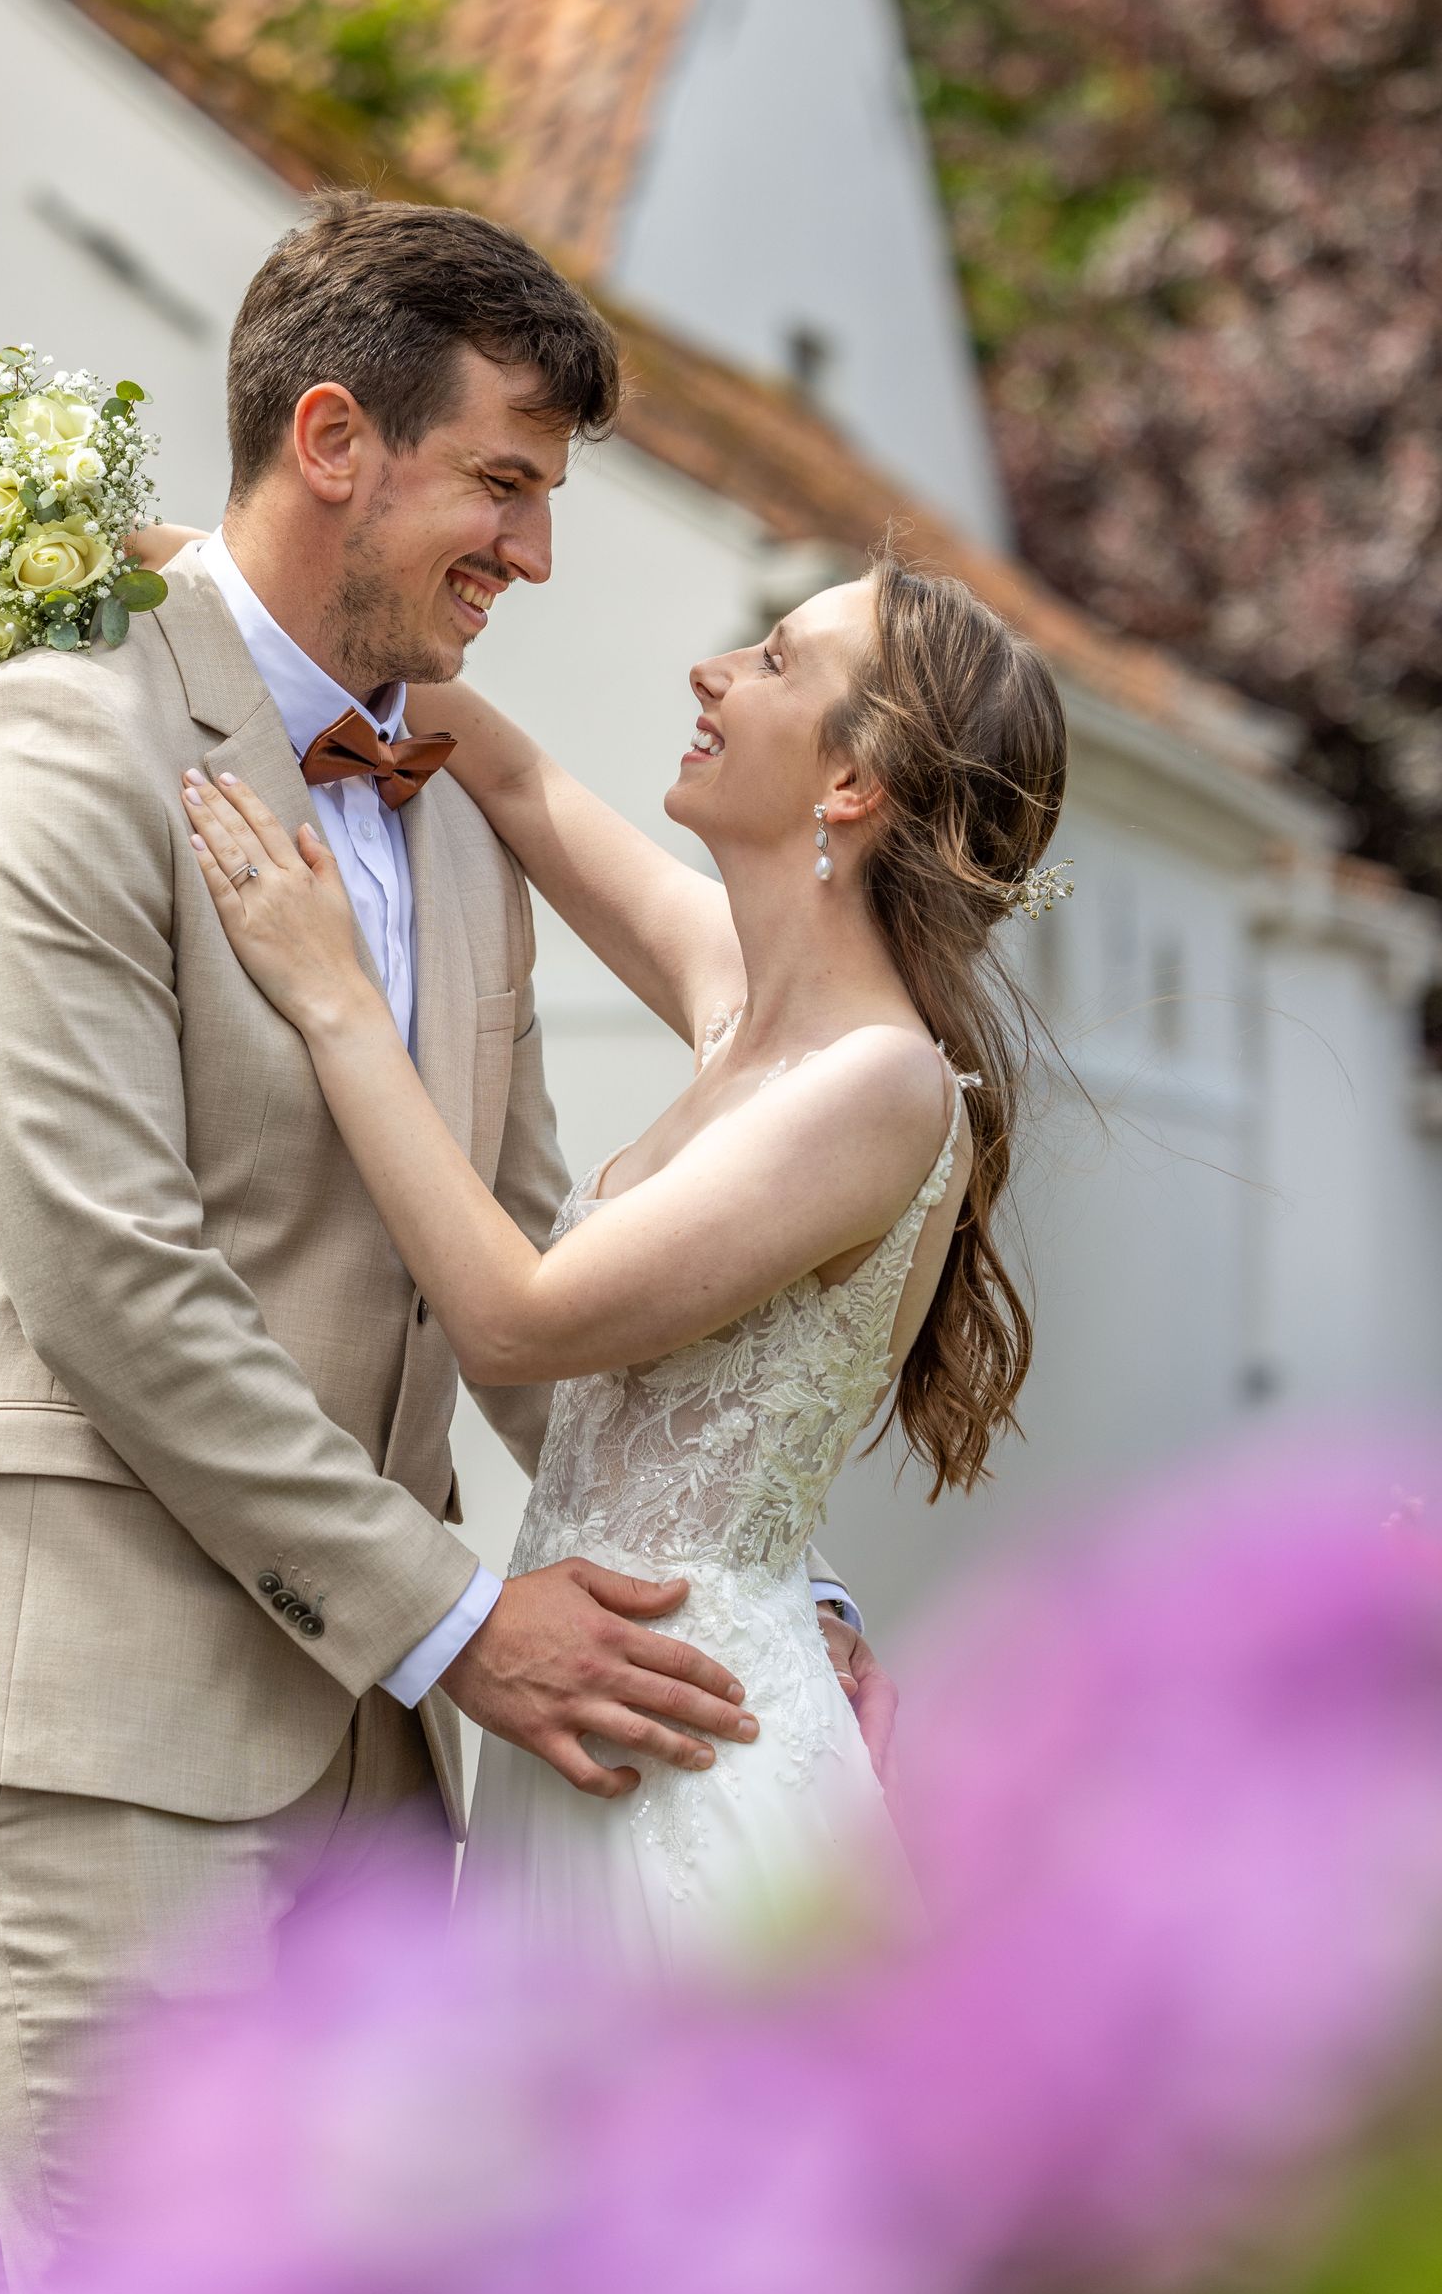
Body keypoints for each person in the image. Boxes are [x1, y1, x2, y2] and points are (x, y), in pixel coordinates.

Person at [0, 192, 878, 2294]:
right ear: (335, 441)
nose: (535, 549)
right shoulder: (49, 745)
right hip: (98, 1723)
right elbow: (108, 1279)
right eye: (502, 482)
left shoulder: (442, 806)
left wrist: (741, 1570)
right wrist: (463, 1620)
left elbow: (513, 1257)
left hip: (380, 1755)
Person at [179, 547, 1068, 1967]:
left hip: (691, 1759)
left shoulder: (880, 1087)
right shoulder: (746, 997)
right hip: (594, 1713)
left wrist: (338, 997)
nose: (712, 674)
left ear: (854, 785)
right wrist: (203, 568)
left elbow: (518, 1323)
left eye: (775, 662)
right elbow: (512, 780)